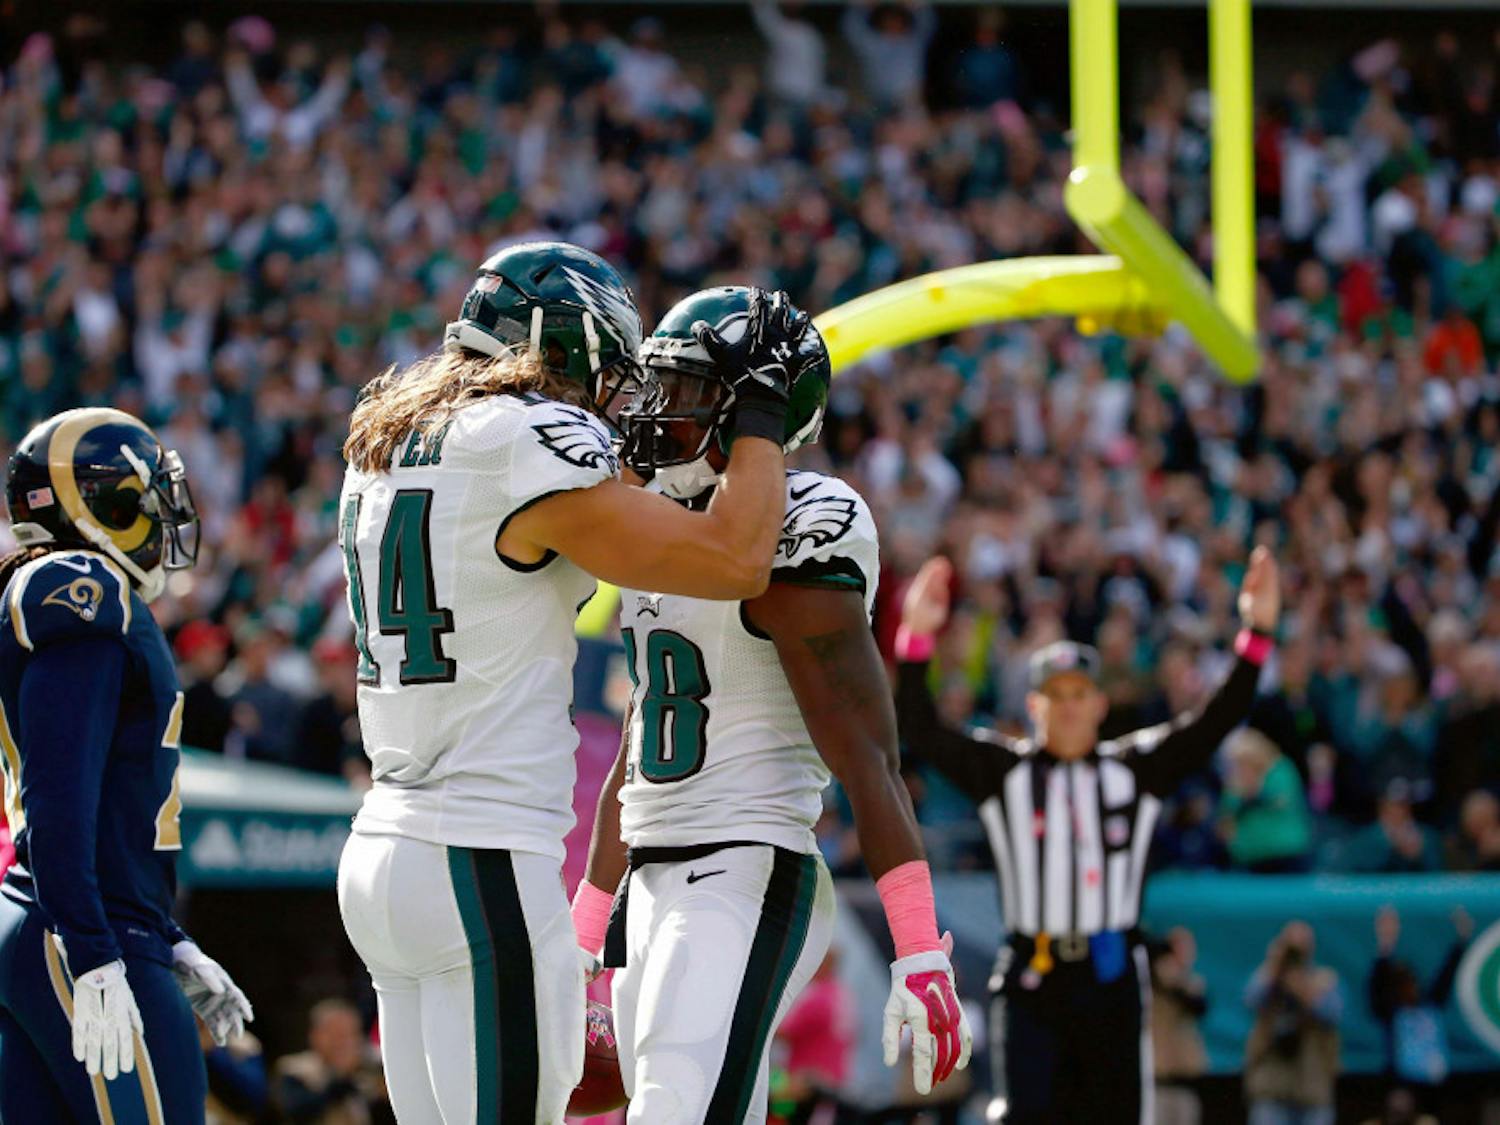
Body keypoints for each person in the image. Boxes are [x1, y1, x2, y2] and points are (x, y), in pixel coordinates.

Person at [334, 244, 809, 1125]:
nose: (612, 397)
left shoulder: (388, 440)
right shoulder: (526, 437)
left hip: (381, 854)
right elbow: (737, 559)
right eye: (608, 370)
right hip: (477, 860)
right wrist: (761, 408)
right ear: (563, 343)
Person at [573, 286, 971, 1124]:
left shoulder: (807, 520)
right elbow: (642, 744)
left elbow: (868, 754)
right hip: (652, 876)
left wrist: (919, 944)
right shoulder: (657, 522)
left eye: (685, 388)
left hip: (745, 867)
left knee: (674, 1112)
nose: (659, 409)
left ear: (752, 409)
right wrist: (585, 929)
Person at [894, 547, 1281, 1124]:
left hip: (1110, 974)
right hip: (1033, 973)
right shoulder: (1005, 773)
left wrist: (1257, 634)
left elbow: (1213, 723)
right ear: (1034, 706)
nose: (1069, 708)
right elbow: (921, 728)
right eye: (1056, 695)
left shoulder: (1135, 771)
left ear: (1101, 703)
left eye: (1079, 694)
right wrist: (916, 638)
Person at [0, 407, 253, 1122]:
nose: (162, 515)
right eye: (145, 497)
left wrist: (166, 933)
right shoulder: (83, 587)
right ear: (100, 502)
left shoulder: (75, 594)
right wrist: (94, 948)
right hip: (80, 929)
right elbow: (58, 796)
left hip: (62, 920)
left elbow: (101, 797)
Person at [1244, 922, 1342, 1125]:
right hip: (1272, 1085)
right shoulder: (1269, 977)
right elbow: (1251, 999)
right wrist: (1274, 965)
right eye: (1291, 946)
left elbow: (1332, 1013)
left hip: (1313, 1085)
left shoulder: (1324, 979)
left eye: (1301, 946)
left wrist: (1302, 987)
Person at [270, 998, 392, 1125]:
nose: (344, 1043)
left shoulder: (370, 1071)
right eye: (336, 1034)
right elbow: (297, 1109)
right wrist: (341, 1079)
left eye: (351, 1034)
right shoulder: (294, 1069)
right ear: (315, 1036)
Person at [1150, 928, 1208, 1125]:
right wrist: (1162, 972)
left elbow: (1199, 1006)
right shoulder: (1151, 982)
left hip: (1184, 1081)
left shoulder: (1192, 983)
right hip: (1157, 1081)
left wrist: (1177, 980)